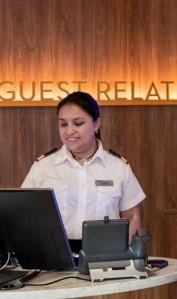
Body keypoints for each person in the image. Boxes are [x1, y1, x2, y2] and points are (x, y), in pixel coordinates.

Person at [21, 91, 144, 250]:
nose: (69, 131)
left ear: (96, 124)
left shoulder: (118, 168)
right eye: (63, 124)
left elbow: (132, 217)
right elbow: (24, 215)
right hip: (55, 255)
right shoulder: (43, 167)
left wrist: (117, 251)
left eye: (78, 123)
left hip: (104, 255)